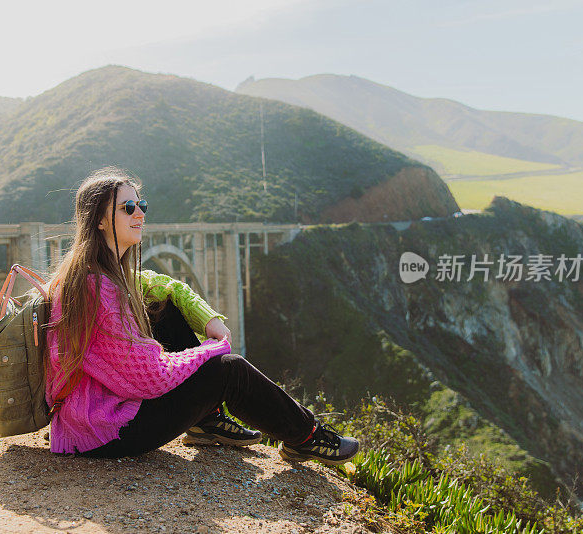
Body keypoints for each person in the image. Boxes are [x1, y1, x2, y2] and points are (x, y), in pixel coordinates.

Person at [42, 167, 359, 465]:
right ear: (98, 220)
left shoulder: (101, 272)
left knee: (163, 308)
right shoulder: (96, 287)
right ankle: (307, 435)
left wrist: (210, 322)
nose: (140, 213)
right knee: (229, 370)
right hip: (104, 430)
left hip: (96, 415)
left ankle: (205, 421)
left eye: (141, 205)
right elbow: (149, 377)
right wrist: (212, 349)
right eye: (128, 208)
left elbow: (170, 290)